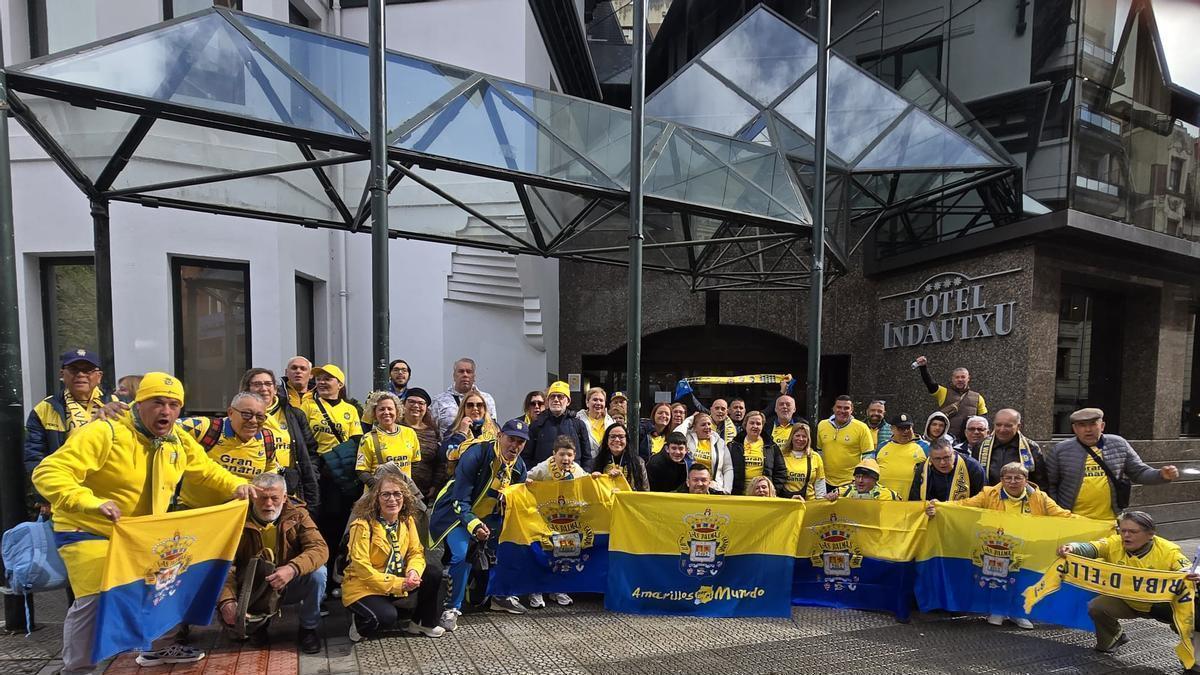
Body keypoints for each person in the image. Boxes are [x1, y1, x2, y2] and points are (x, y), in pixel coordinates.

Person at [32, 372, 253, 673]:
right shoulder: (106, 431)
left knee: (166, 583)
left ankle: (158, 648)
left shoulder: (177, 438)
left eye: (174, 405)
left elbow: (205, 469)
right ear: (139, 403)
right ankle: (77, 669)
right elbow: (48, 472)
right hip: (87, 528)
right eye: (157, 402)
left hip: (141, 533)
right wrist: (90, 501)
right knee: (97, 596)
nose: (166, 411)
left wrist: (237, 485)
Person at [927, 462, 1072, 629]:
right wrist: (940, 506)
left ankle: (1019, 613)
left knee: (1022, 579)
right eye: (1008, 478)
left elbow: (1063, 515)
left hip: (1027, 547)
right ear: (1001, 480)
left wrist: (1093, 524)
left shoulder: (1040, 498)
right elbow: (964, 505)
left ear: (1026, 480)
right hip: (998, 544)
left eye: (1018, 478)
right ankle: (997, 610)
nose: (1013, 482)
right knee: (998, 578)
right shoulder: (988, 494)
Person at [428, 418, 530, 627]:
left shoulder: (519, 467)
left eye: (520, 442)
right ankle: (451, 608)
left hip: (491, 518)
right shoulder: (477, 454)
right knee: (461, 554)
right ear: (500, 436)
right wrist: (473, 525)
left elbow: (515, 504)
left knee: (511, 548)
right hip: (456, 514)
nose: (515, 446)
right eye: (511, 439)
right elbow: (459, 498)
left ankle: (499, 596)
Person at [1057, 511, 1199, 658]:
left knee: (1190, 621)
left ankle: (1191, 655)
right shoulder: (1114, 543)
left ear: (1150, 534)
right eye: (1123, 530)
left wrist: (1193, 575)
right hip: (1126, 600)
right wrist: (1072, 548)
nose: (1126, 535)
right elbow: (1093, 547)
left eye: (1133, 532)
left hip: (1160, 605)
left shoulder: (1168, 551)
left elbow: (1186, 569)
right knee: (1096, 607)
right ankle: (1113, 638)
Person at [218, 473, 328, 653]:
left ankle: (308, 629)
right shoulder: (235, 518)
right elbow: (223, 564)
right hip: (251, 587)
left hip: (287, 582)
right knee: (240, 627)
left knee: (318, 574)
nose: (268, 504)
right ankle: (256, 626)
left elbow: (319, 548)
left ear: (284, 497)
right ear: (252, 497)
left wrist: (292, 568)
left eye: (274, 498)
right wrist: (226, 601)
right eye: (262, 498)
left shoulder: (298, 514)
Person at [344, 466, 445, 640]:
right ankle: (360, 624)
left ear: (404, 497)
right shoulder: (362, 525)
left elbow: (416, 552)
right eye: (386, 495)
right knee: (386, 617)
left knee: (432, 572)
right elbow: (362, 569)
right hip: (364, 586)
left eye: (397, 494)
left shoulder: (407, 520)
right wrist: (400, 584)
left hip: (396, 579)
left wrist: (413, 572)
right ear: (376, 498)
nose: (392, 499)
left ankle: (422, 622)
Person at [1046, 408, 1178, 523]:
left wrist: (1161, 475)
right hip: (1072, 520)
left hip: (1110, 520)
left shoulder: (1118, 444)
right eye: (1082, 425)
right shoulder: (1060, 450)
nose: (1088, 429)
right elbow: (1050, 485)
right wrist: (1057, 514)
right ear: (1075, 429)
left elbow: (1139, 472)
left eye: (1093, 424)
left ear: (1102, 426)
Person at [24, 349, 117, 509]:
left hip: (111, 493)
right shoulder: (45, 409)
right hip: (68, 494)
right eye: (74, 369)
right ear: (62, 374)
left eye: (88, 370)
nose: (80, 375)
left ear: (99, 376)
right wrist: (46, 496)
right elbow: (35, 457)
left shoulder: (118, 404)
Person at [302, 363, 363, 595]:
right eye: (319, 378)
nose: (322, 382)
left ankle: (333, 577)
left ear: (340, 384)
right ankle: (319, 580)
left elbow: (356, 441)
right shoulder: (307, 406)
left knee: (338, 526)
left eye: (328, 378)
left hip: (341, 477)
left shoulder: (350, 409)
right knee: (319, 526)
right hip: (318, 474)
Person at [177, 392, 279, 508]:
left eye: (260, 417)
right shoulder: (205, 428)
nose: (253, 421)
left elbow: (270, 472)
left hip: (241, 513)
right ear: (230, 413)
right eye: (246, 414)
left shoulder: (267, 438)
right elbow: (170, 427)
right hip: (194, 510)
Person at [242, 368, 319, 511]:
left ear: (275, 389)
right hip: (252, 487)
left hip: (289, 488)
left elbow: (310, 451)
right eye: (257, 384)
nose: (263, 388)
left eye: (268, 384)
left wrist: (310, 474)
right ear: (247, 389)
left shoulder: (294, 415)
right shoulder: (239, 416)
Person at [524, 436, 584, 609]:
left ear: (574, 456)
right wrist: (527, 482)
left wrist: (596, 477)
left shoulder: (577, 470)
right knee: (542, 554)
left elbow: (588, 483)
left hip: (566, 520)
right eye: (562, 454)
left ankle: (558, 588)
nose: (566, 458)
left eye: (569, 455)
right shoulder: (544, 468)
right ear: (554, 454)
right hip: (544, 518)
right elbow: (526, 478)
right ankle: (536, 590)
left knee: (565, 553)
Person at [914, 355, 988, 440]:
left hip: (968, 441)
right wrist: (923, 367)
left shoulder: (978, 397)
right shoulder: (943, 392)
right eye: (957, 377)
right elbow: (930, 384)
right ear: (952, 379)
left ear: (968, 378)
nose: (960, 379)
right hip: (946, 440)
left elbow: (984, 420)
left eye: (963, 377)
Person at [357, 391, 422, 487]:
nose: (386, 412)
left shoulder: (409, 433)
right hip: (379, 492)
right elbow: (361, 470)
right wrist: (379, 488)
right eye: (381, 409)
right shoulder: (368, 438)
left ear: (397, 411)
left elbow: (415, 463)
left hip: (403, 491)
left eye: (390, 409)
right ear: (374, 413)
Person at [523, 381, 591, 469]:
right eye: (552, 396)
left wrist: (584, 474)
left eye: (560, 397)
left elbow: (587, 457)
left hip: (572, 475)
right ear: (548, 401)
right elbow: (526, 456)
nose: (556, 400)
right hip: (543, 476)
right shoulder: (536, 425)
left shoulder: (578, 425)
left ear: (568, 401)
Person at [817, 396, 876, 490]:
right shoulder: (822, 425)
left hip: (850, 483)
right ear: (833, 408)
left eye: (846, 408)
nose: (842, 411)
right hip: (825, 482)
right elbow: (819, 453)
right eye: (839, 407)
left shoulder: (862, 428)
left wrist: (859, 479)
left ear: (852, 410)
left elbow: (868, 458)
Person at [975, 409, 1045, 487]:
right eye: (998, 425)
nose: (1002, 430)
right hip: (987, 493)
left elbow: (1040, 482)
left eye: (1008, 426)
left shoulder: (1031, 448)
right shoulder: (981, 447)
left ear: (1018, 426)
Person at [439, 389, 500, 475]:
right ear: (463, 409)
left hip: (488, 476)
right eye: (470, 405)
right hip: (461, 476)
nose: (475, 408)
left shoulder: (495, 428)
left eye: (479, 405)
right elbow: (442, 455)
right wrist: (461, 433)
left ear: (484, 408)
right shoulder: (455, 428)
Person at [431, 358, 498, 436]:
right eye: (461, 371)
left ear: (474, 376)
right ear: (454, 376)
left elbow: (493, 427)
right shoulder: (439, 401)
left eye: (469, 372)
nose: (465, 375)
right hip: (450, 442)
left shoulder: (487, 399)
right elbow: (433, 432)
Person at [908, 437, 985, 502]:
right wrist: (927, 505)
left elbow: (983, 499)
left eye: (946, 457)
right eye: (937, 459)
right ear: (930, 459)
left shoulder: (973, 468)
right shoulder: (923, 469)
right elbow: (914, 500)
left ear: (954, 453)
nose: (942, 462)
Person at [875, 414, 932, 500]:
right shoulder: (881, 447)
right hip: (883, 501)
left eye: (908, 428)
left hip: (913, 501)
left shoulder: (926, 447)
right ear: (892, 429)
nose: (905, 431)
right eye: (901, 428)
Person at [728, 410, 785, 495]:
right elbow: (726, 469)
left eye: (758, 424)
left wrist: (773, 490)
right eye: (752, 423)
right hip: (739, 494)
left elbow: (781, 471)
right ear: (745, 425)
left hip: (763, 495)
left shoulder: (771, 447)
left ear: (762, 426)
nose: (755, 426)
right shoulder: (733, 445)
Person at [402, 388, 444, 502]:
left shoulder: (432, 432)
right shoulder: (395, 428)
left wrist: (435, 485)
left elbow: (439, 462)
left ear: (426, 408)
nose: (416, 406)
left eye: (421, 403)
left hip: (423, 493)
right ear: (404, 404)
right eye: (411, 401)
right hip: (398, 490)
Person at [679, 412, 734, 494]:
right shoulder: (687, 439)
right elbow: (676, 434)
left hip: (714, 488)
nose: (707, 427)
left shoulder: (720, 442)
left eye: (709, 424)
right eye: (703, 425)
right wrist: (689, 420)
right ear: (694, 428)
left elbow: (728, 468)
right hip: (689, 488)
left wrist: (727, 490)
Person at [594, 424, 649, 491]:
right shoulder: (598, 461)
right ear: (606, 440)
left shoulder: (638, 462)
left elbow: (645, 490)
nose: (617, 440)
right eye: (612, 436)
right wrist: (596, 479)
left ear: (626, 440)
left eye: (621, 437)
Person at [779, 421, 825, 500]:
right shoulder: (781, 455)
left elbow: (820, 483)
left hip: (809, 502)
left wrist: (821, 501)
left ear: (808, 439)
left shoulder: (815, 457)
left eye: (804, 436)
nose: (800, 439)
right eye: (797, 435)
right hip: (786, 502)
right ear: (792, 437)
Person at [826, 459, 897, 501]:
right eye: (857, 476)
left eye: (865, 477)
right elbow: (824, 501)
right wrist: (829, 497)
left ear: (875, 479)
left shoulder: (889, 495)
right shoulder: (843, 491)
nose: (860, 480)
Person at [576, 387, 614, 460]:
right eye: (595, 400)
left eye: (601, 400)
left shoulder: (611, 422)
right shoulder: (578, 421)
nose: (598, 403)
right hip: (586, 463)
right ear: (587, 403)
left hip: (606, 463)